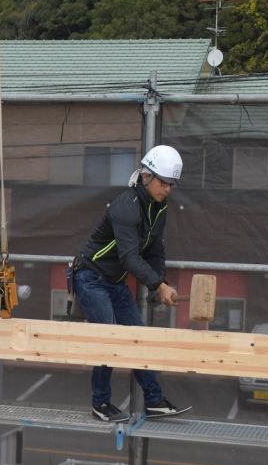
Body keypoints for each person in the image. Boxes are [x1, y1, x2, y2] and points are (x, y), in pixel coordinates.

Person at [72, 144, 190, 422]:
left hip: (115, 282)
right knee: (109, 338)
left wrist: (159, 283)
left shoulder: (159, 208)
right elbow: (128, 256)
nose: (168, 189)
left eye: (173, 184)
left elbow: (154, 250)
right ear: (147, 176)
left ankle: (154, 400)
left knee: (138, 337)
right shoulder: (125, 207)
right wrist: (158, 286)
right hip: (91, 278)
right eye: (164, 182)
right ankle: (100, 404)